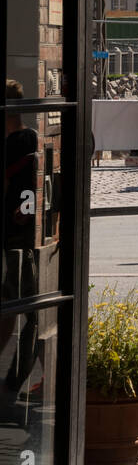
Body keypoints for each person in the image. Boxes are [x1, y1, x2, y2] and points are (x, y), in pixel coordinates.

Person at [1, 80, 40, 421]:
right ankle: (22, 374)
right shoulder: (30, 137)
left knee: (22, 305)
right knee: (17, 303)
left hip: (15, 235)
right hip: (22, 235)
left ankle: (18, 377)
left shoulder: (14, 143)